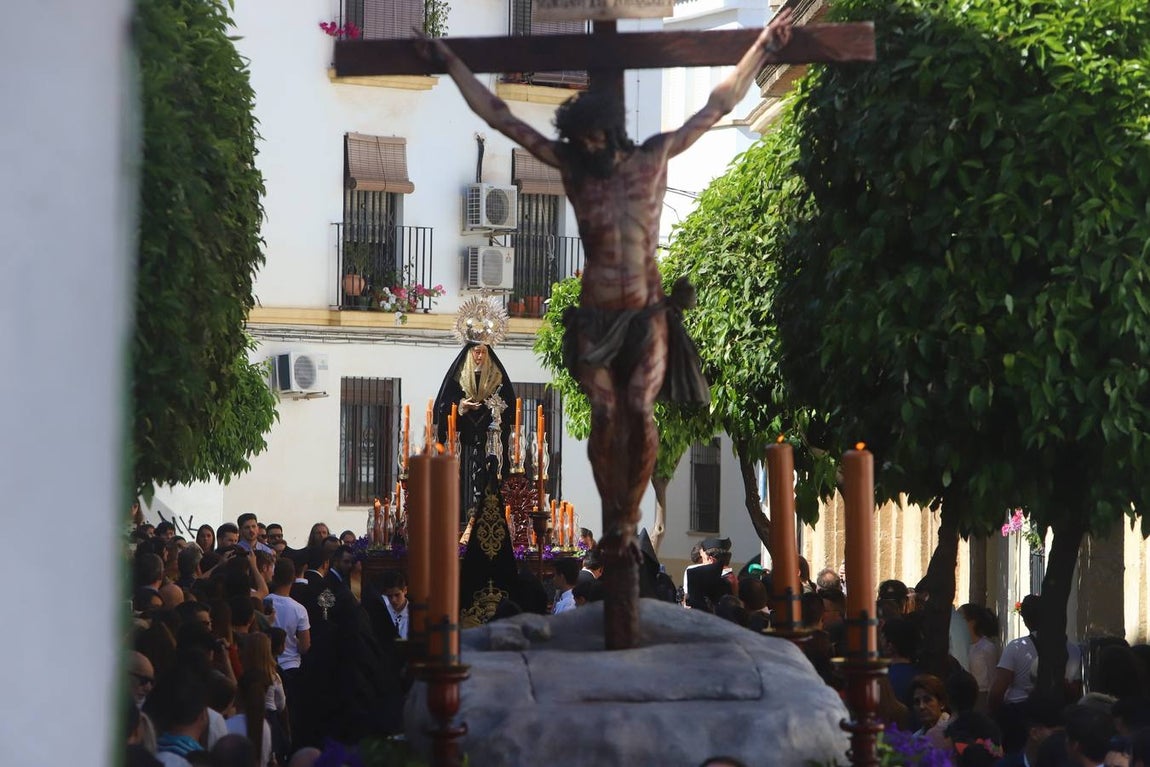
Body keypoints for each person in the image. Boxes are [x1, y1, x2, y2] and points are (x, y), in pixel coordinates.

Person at [418, 8, 794, 646]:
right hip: (594, 317)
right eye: (580, 142)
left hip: (645, 312)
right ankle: (614, 513)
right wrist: (452, 64)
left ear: (608, 130)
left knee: (639, 411)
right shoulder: (572, 169)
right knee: (604, 412)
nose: (587, 150)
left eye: (593, 139)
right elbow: (501, 117)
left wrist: (761, 47)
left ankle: (624, 520)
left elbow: (715, 105)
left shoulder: (653, 158)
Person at [434, 320, 517, 521]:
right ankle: (461, 519)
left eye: (483, 352)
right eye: (476, 352)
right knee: (462, 485)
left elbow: (509, 409)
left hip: (490, 444)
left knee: (489, 483)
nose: (480, 356)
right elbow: (443, 406)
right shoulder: (458, 377)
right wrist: (461, 405)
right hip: (463, 444)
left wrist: (496, 409)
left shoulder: (497, 378)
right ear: (470, 353)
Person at [959, 603, 1000, 710]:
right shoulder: (961, 645)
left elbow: (992, 678)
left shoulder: (987, 647)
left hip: (981, 696)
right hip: (963, 695)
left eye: (961, 618)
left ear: (972, 622)